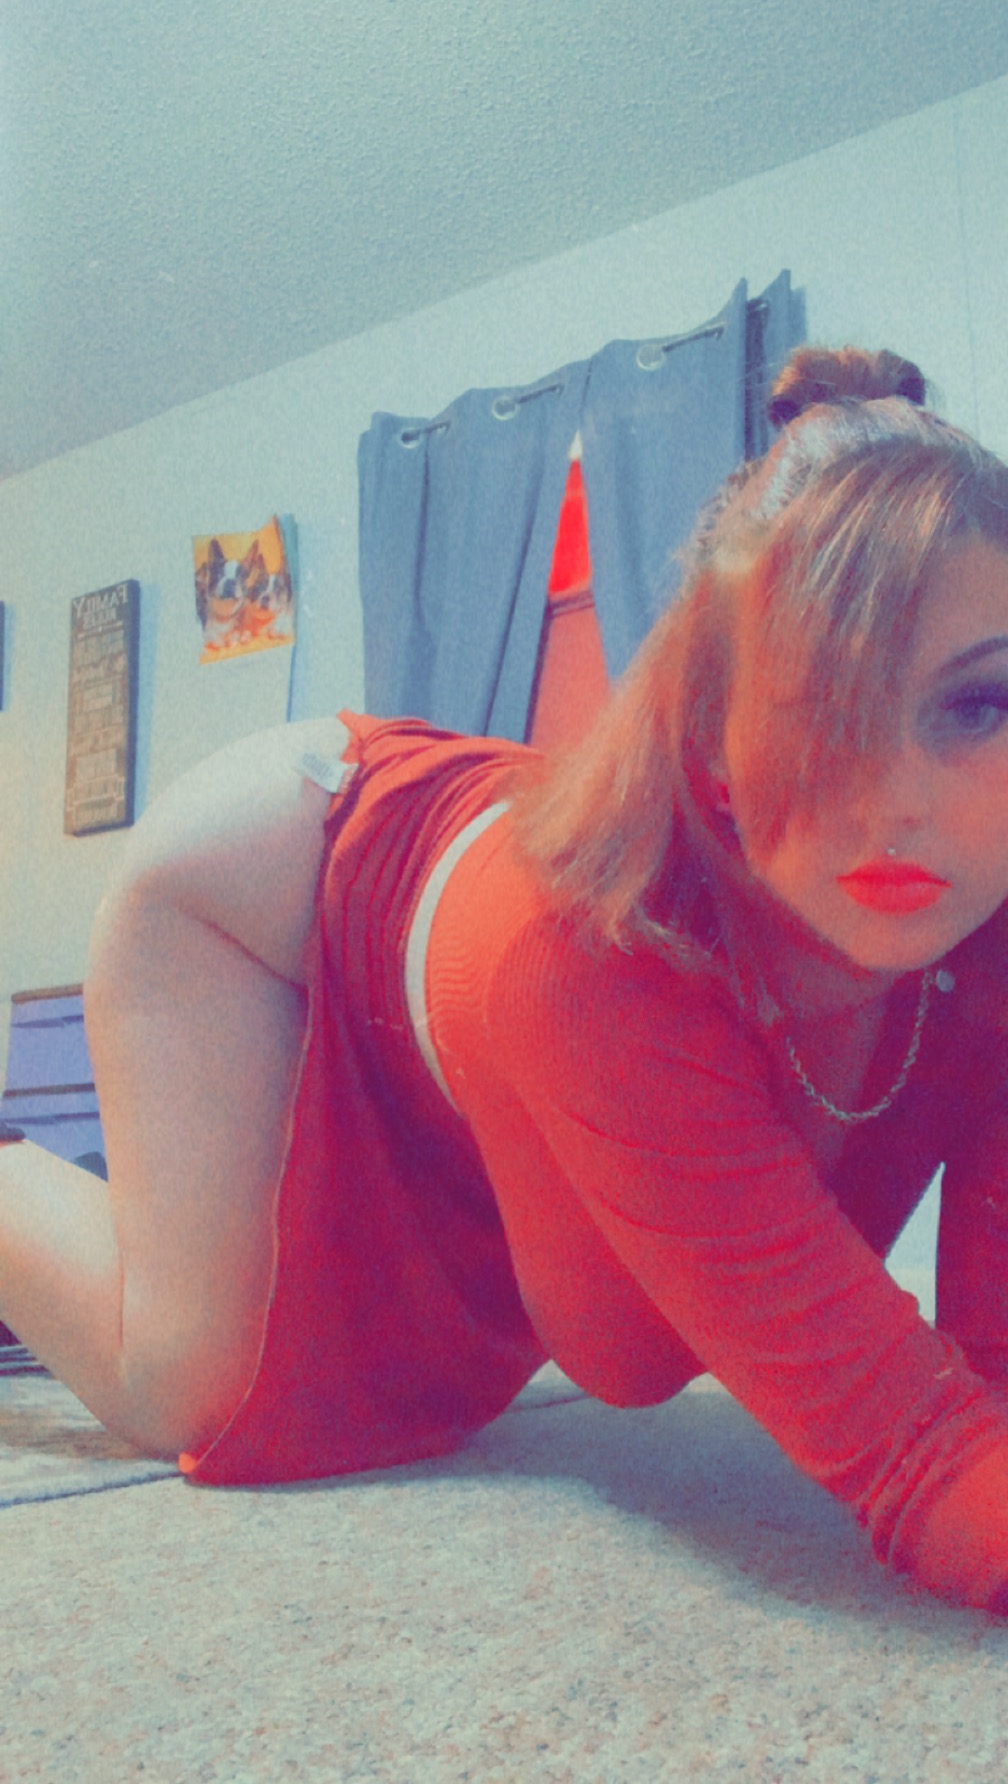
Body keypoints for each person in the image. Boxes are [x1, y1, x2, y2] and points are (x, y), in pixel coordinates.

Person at [3, 343, 1008, 1614]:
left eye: (977, 706)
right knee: (186, 1381)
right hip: (267, 884)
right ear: (710, 747)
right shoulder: (590, 965)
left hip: (488, 910)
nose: (898, 802)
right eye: (819, 706)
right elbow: (920, 1457)